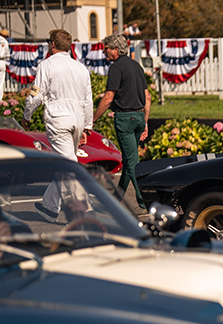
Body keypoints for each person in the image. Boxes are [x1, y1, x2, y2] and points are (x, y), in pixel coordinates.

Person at [22, 29, 94, 223]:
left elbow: (36, 94)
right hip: (78, 118)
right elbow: (88, 100)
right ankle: (50, 206)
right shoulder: (80, 68)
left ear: (52, 44)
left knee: (69, 165)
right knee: (66, 162)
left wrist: (26, 115)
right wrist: (87, 126)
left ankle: (85, 209)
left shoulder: (47, 65)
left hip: (58, 118)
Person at [93, 34, 150, 213]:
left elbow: (109, 97)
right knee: (129, 161)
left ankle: (144, 202)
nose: (104, 51)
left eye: (106, 48)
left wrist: (92, 120)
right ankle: (116, 200)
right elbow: (147, 97)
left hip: (125, 119)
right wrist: (146, 123)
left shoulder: (116, 68)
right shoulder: (136, 66)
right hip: (139, 117)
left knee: (132, 163)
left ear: (116, 49)